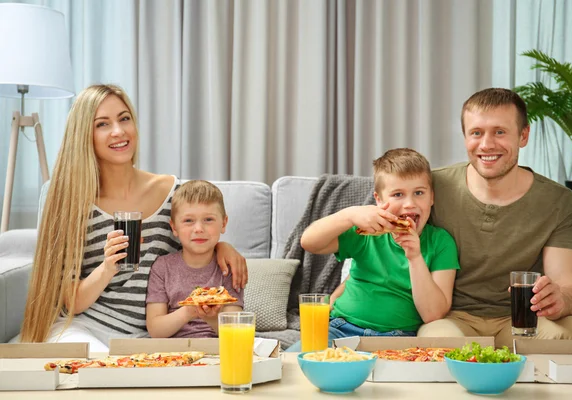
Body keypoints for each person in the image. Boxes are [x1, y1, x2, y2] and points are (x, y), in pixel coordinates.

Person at [19, 84, 248, 352]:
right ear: (85, 135)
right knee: (103, 370)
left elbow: (195, 234)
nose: (119, 131)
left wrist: (222, 246)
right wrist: (107, 268)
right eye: (102, 124)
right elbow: (72, 302)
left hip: (150, 336)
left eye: (124, 118)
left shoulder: (172, 192)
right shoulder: (70, 201)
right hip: (86, 328)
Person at [417, 88, 572, 346]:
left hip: (522, 320)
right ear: (465, 137)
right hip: (451, 318)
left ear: (523, 136)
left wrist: (560, 299)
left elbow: (570, 289)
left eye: (500, 132)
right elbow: (386, 231)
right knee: (439, 342)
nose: (487, 144)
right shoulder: (432, 187)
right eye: (476, 133)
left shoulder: (557, 200)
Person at [289, 148, 460, 350]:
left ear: (431, 197)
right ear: (378, 200)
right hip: (340, 328)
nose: (409, 204)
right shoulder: (367, 232)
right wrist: (350, 215)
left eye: (419, 193)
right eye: (398, 194)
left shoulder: (441, 242)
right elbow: (309, 242)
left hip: (399, 338)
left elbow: (433, 314)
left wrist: (415, 257)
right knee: (296, 363)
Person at [146, 180, 243, 338]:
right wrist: (189, 310)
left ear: (224, 223)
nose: (198, 229)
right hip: (173, 353)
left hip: (218, 348)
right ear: (174, 228)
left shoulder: (228, 267)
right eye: (188, 221)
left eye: (208, 220)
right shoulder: (162, 267)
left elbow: (236, 332)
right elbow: (156, 330)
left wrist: (210, 317)